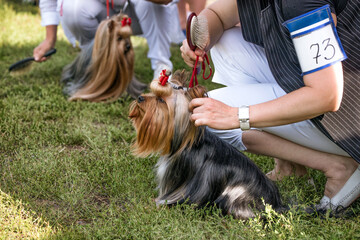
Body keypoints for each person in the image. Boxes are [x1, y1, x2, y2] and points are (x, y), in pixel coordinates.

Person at [180, 0, 360, 213]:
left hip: (349, 120)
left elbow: (327, 94)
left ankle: (339, 166)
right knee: (225, 44)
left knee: (208, 120)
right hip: (337, 89)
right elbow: (218, 15)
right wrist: (200, 38)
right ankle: (289, 165)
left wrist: (236, 116)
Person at [33, 0, 185, 79]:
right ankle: (93, 62)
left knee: (150, 3)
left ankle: (161, 65)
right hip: (98, 9)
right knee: (73, 7)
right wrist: (49, 38)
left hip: (140, 12)